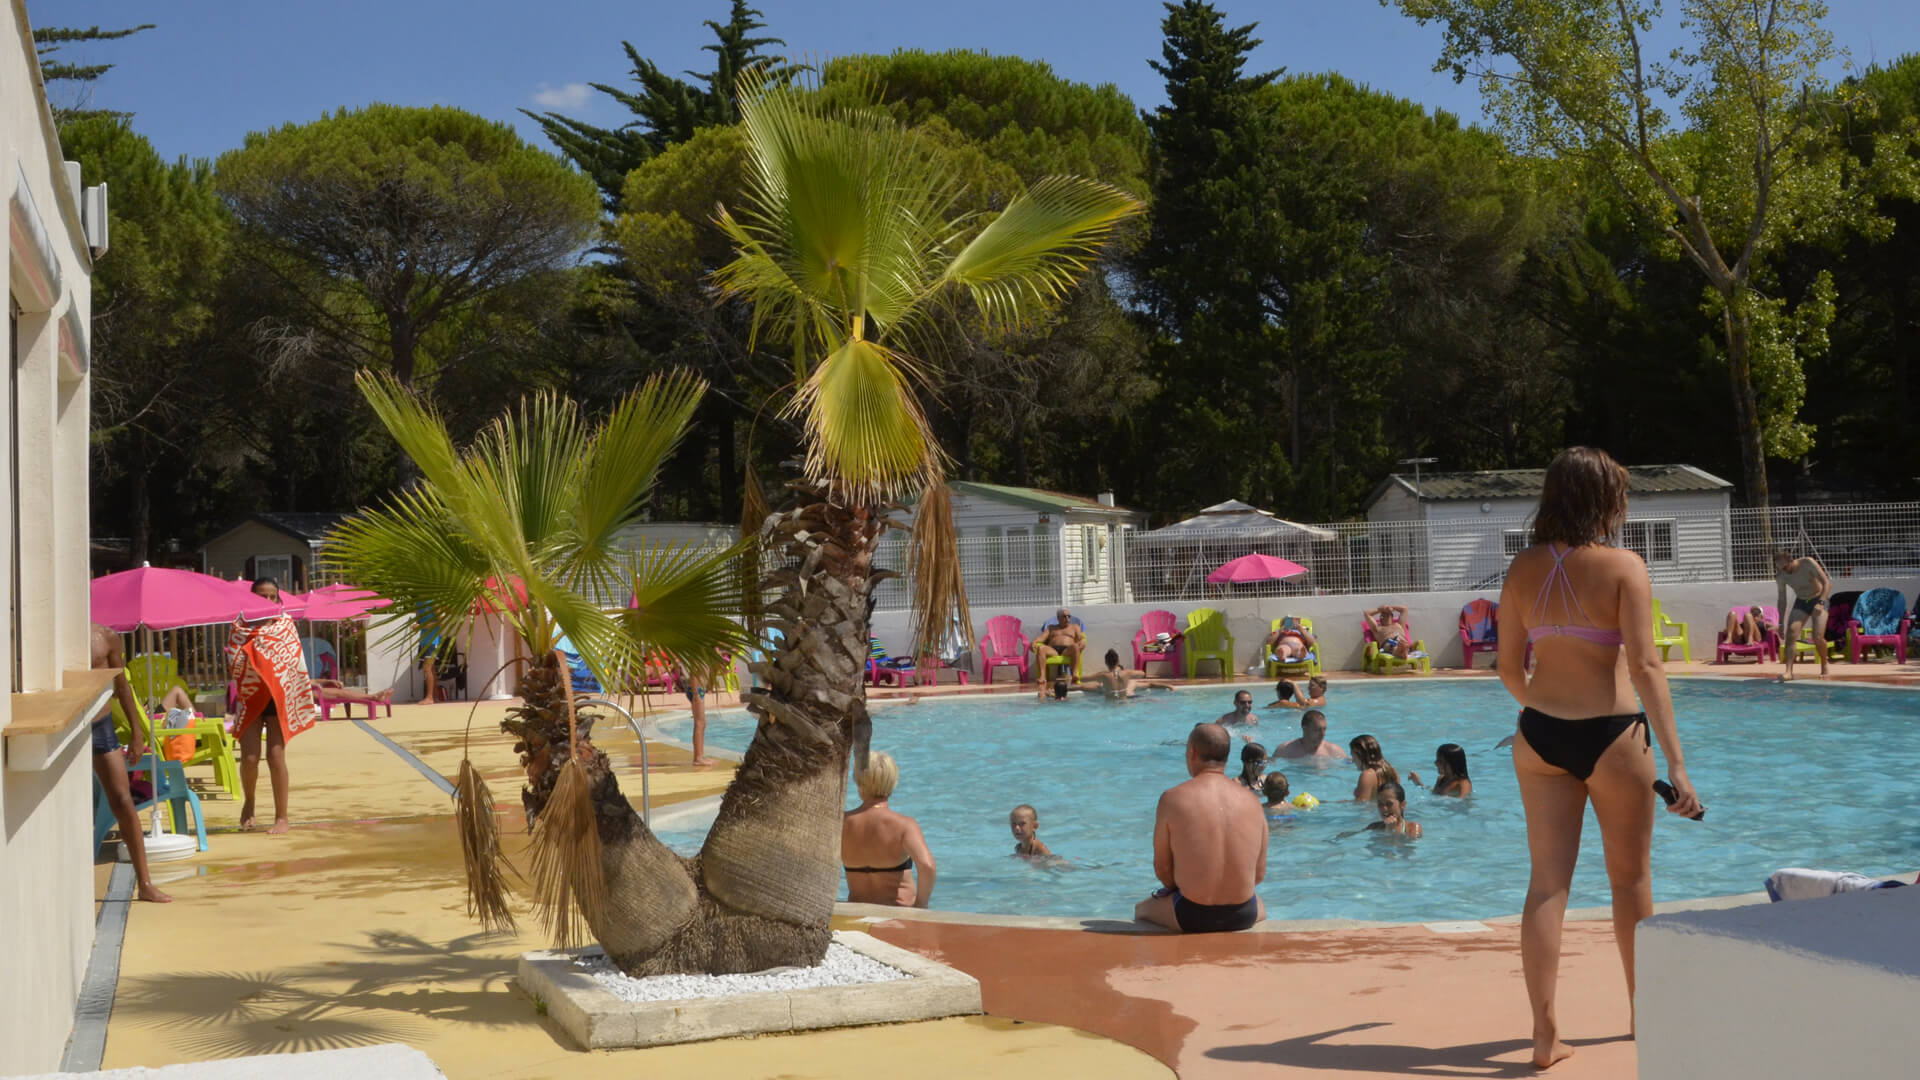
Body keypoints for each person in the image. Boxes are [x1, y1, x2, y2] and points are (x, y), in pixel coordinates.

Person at [1496, 446, 1702, 1069]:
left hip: (1539, 735)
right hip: (1613, 737)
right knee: (1630, 882)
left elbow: (1508, 669)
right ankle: (1645, 1014)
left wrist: (1543, 712)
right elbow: (1646, 666)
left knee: (1546, 884)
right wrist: (1677, 765)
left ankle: (1544, 1034)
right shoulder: (1623, 566)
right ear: (1607, 499)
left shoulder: (1522, 567)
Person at [1134, 724, 1268, 933]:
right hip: (1244, 914)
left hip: (1191, 915)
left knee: (1141, 910)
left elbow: (1163, 870)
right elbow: (1258, 875)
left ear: (1193, 752)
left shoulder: (1172, 798)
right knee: (1259, 902)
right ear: (1227, 756)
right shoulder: (1252, 801)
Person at [88, 623, 173, 904]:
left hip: (100, 723)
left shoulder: (105, 637)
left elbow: (122, 686)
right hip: (68, 727)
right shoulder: (55, 635)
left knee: (123, 799)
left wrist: (137, 734)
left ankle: (145, 883)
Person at [237, 577, 295, 834]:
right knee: (250, 758)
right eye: (263, 596)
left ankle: (282, 817)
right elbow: (235, 660)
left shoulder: (286, 626)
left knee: (275, 756)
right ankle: (249, 802)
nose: (269, 601)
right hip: (251, 694)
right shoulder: (240, 627)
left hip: (277, 695)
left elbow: (293, 662)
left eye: (273, 596)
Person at [841, 752, 936, 907]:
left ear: (859, 783)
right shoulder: (904, 825)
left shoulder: (841, 823)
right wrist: (921, 905)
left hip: (857, 910)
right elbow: (927, 867)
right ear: (892, 783)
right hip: (897, 911)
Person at [1774, 550, 1832, 681]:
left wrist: (1821, 602)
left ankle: (1824, 663)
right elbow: (1782, 600)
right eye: (1779, 568)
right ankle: (1788, 671)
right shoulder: (1781, 576)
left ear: (1791, 561)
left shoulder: (1807, 563)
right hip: (1801, 601)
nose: (1783, 570)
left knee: (1817, 637)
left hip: (1818, 598)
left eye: (1785, 567)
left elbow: (1826, 583)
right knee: (1791, 633)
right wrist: (1781, 623)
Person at [1079, 649, 1174, 700]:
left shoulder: (1103, 676)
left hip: (1110, 707)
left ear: (1106, 662)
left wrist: (1074, 678)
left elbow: (1083, 680)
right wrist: (1169, 685)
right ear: (1118, 661)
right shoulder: (1127, 675)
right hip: (1125, 704)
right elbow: (1143, 674)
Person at [1030, 608, 1086, 682]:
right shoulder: (1051, 628)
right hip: (1053, 650)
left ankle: (1074, 674)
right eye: (1064, 616)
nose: (1067, 618)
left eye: (1069, 616)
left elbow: (1080, 637)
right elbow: (1041, 638)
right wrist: (1034, 642)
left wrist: (1083, 640)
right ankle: (1042, 676)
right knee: (1041, 649)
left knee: (1075, 646)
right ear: (1058, 618)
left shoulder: (1075, 627)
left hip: (1067, 650)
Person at [1273, 709, 1348, 760]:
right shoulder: (1285, 749)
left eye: (1324, 729)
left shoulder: (1333, 751)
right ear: (1305, 729)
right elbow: (1270, 764)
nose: (1323, 734)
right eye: (1317, 730)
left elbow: (1349, 764)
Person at [1409, 743, 1473, 798]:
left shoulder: (1463, 783)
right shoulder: (1441, 779)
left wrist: (1445, 800)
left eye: (1439, 761)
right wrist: (1418, 783)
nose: (1435, 763)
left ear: (1451, 764)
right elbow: (1433, 793)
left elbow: (1464, 802)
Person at [1349, 734, 1399, 802]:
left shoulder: (1367, 775)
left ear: (1360, 755)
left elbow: (1361, 804)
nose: (1352, 760)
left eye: (1353, 756)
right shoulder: (1392, 771)